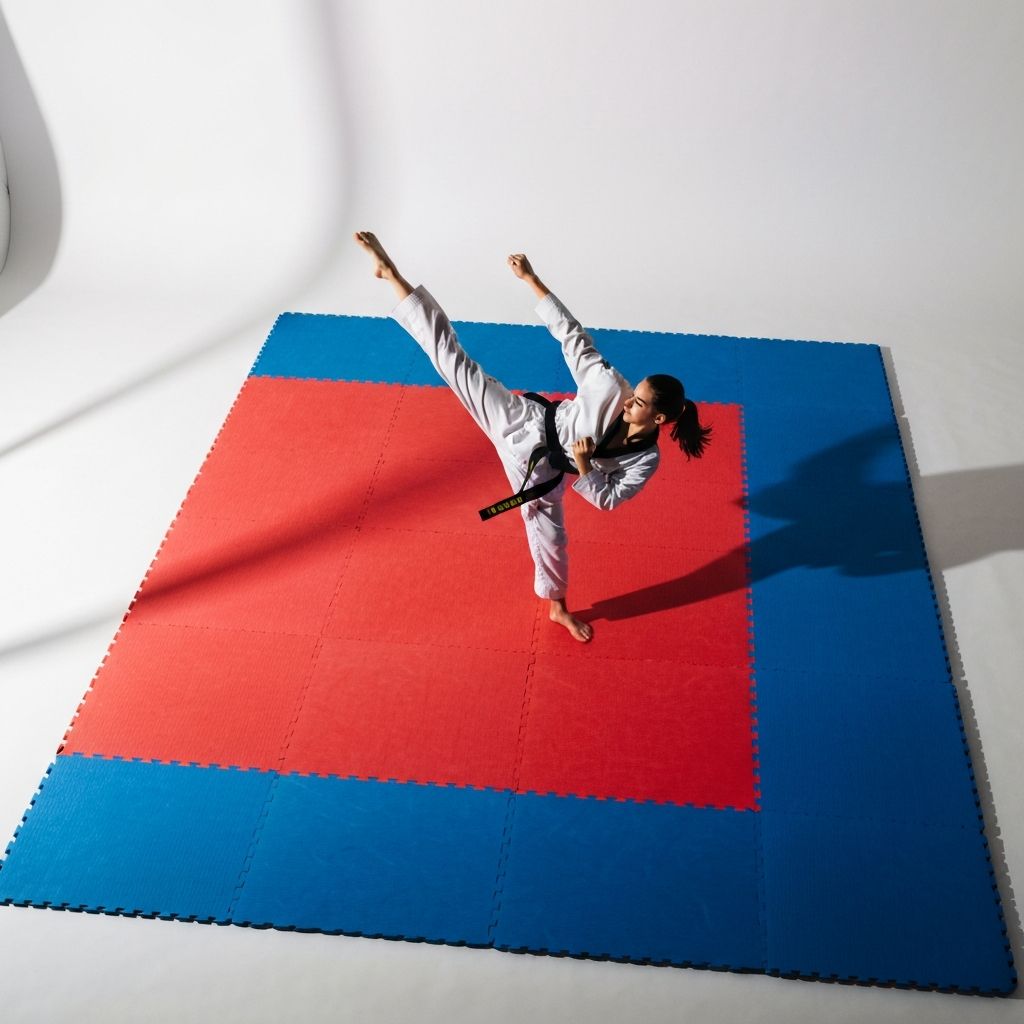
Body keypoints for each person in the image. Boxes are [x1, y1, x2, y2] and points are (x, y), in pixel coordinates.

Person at [353, 231, 711, 643]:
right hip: (520, 421)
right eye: (637, 391)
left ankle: (558, 608)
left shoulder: (644, 459)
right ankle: (392, 274)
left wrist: (584, 467)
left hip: (543, 476)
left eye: (640, 402)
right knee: (452, 360)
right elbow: (572, 336)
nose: (630, 399)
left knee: (552, 541)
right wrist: (532, 280)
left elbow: (609, 500)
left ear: (659, 418)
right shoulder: (610, 386)